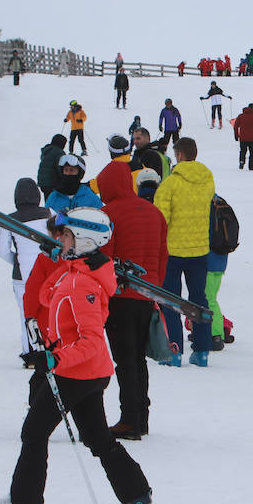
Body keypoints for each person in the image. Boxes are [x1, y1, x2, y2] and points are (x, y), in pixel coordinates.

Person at [0, 207, 154, 504]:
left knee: (34, 432)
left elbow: (89, 338)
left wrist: (56, 360)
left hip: (77, 371)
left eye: (67, 235)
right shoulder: (76, 272)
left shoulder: (82, 285)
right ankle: (137, 502)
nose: (60, 239)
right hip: (84, 370)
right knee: (98, 438)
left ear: (85, 241)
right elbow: (47, 296)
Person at [98, 163, 168, 439]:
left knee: (125, 360)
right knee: (138, 359)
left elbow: (105, 259)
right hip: (147, 294)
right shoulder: (154, 213)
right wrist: (155, 289)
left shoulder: (108, 215)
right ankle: (142, 416)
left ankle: (129, 420)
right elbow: (163, 255)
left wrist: (102, 295)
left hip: (120, 297)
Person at [152, 137, 214, 367]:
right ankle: (202, 351)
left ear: (178, 156)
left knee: (171, 300)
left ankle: (173, 351)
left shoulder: (170, 184)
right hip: (199, 248)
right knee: (199, 299)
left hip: (173, 250)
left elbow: (161, 220)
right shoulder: (207, 179)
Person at [0, 178, 49, 363]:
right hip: (48, 272)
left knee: (26, 312)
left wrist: (16, 261)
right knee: (48, 308)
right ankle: (50, 347)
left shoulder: (9, 220)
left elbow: (1, 251)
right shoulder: (50, 214)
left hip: (22, 276)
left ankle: (31, 353)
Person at [36, 134, 68, 199]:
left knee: (48, 200)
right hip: (53, 183)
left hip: (43, 182)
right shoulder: (59, 152)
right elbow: (60, 168)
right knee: (55, 202)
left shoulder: (47, 151)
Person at [233, 103, 253, 170]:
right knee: (252, 152)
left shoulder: (240, 116)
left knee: (242, 151)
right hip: (252, 138)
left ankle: (241, 161)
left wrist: (236, 135)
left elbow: (235, 126)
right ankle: (251, 166)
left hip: (243, 137)